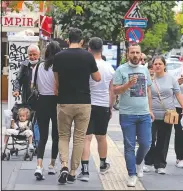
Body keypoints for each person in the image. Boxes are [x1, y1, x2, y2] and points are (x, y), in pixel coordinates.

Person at [53, 28, 101, 184]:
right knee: (79, 138)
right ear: (81, 41)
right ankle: (73, 172)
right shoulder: (88, 56)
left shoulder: (59, 57)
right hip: (83, 102)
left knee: (63, 136)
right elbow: (97, 78)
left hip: (64, 101)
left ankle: (64, 166)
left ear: (67, 40)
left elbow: (57, 83)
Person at [113, 43, 154, 187]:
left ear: (141, 54)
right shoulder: (121, 70)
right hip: (127, 114)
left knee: (146, 144)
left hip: (143, 114)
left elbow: (148, 90)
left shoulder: (144, 70)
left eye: (137, 52)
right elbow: (115, 91)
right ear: (127, 54)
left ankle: (138, 163)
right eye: (132, 52)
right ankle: (131, 174)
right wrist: (127, 85)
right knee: (129, 146)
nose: (135, 55)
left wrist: (150, 109)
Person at [77, 37, 115, 181]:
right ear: (102, 49)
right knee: (101, 137)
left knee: (86, 138)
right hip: (103, 105)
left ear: (89, 49)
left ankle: (85, 170)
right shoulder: (109, 67)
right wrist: (110, 107)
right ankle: (103, 164)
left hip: (87, 104)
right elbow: (112, 91)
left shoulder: (85, 66)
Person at [143, 56, 183, 174]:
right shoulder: (149, 78)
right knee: (149, 140)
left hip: (167, 114)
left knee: (163, 140)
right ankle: (148, 162)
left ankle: (160, 164)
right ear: (152, 66)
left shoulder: (171, 79)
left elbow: (178, 94)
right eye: (155, 64)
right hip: (150, 114)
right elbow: (145, 95)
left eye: (160, 64)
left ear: (164, 65)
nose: (157, 66)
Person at [32, 41, 61, 180]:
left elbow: (34, 85)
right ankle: (52, 165)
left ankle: (39, 166)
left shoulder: (38, 66)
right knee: (56, 135)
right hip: (56, 102)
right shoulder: (59, 67)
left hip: (41, 102)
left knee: (43, 136)